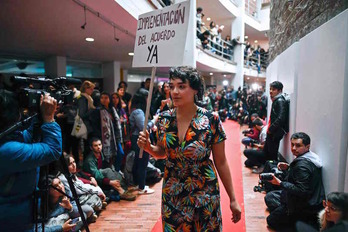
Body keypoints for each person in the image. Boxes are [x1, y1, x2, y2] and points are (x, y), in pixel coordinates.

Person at [137, 66, 242, 230]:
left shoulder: (211, 120)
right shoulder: (164, 119)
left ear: (195, 90)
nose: (175, 91)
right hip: (173, 190)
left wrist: (233, 199)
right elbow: (162, 153)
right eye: (171, 86)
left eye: (181, 86)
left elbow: (221, 162)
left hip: (204, 190)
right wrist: (148, 147)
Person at [0, 90, 62, 231]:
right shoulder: (8, 151)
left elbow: (25, 136)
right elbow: (53, 149)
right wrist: (49, 118)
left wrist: (39, 116)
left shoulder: (6, 139)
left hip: (16, 215)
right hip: (12, 222)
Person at [264, 132, 325, 231]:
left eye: (298, 145)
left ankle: (296, 224)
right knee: (270, 197)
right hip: (302, 200)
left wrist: (280, 183)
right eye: (292, 144)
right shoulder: (309, 158)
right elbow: (302, 177)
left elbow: (302, 191)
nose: (293, 148)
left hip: (303, 206)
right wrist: (289, 168)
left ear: (307, 146)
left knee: (271, 221)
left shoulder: (302, 166)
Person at [129, 90, 155, 195]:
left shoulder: (135, 111)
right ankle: (141, 186)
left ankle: (139, 184)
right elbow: (143, 127)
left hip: (136, 137)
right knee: (142, 162)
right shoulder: (138, 112)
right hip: (139, 138)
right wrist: (154, 121)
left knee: (139, 161)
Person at [261, 81, 288, 172]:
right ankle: (267, 170)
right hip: (273, 131)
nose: (271, 91)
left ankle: (271, 173)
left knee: (272, 154)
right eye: (270, 89)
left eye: (274, 89)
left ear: (279, 90)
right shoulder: (276, 100)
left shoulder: (280, 101)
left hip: (275, 132)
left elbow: (281, 118)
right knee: (267, 152)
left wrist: (271, 129)